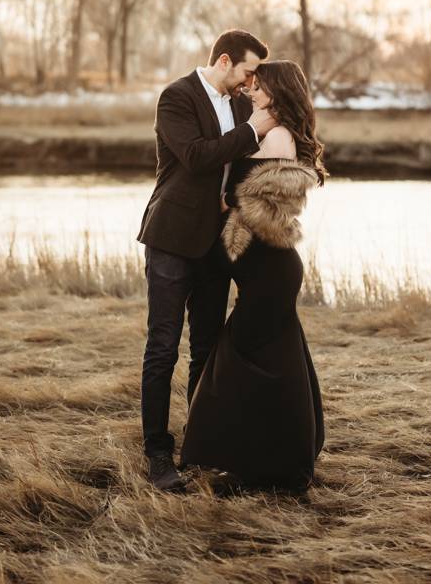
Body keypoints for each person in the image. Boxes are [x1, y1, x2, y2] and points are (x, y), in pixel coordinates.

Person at [179, 58, 326, 494]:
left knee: (244, 357)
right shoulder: (271, 132)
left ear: (277, 93)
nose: (252, 92)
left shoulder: (277, 136)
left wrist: (228, 199)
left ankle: (270, 461)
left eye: (259, 87)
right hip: (267, 267)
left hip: (269, 268)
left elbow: (262, 208)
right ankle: (267, 456)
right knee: (274, 357)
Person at [137, 29, 275, 491]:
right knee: (162, 349)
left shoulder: (240, 107)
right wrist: (255, 129)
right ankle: (158, 454)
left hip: (216, 245)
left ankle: (199, 446)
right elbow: (196, 158)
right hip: (173, 239)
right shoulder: (175, 97)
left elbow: (242, 166)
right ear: (223, 61)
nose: (250, 82)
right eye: (248, 71)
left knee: (207, 349)